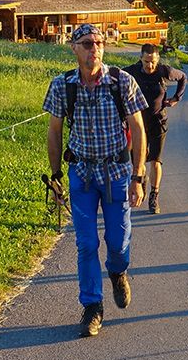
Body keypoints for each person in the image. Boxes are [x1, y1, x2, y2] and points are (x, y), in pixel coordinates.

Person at [45, 23, 148, 338]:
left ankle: (118, 272)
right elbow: (54, 130)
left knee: (118, 242)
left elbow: (140, 130)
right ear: (74, 48)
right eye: (88, 43)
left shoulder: (122, 82)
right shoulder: (63, 85)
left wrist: (138, 177)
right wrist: (55, 176)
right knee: (86, 243)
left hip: (117, 174)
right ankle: (92, 307)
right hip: (82, 176)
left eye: (99, 43)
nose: (95, 49)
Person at [124, 43, 188, 214]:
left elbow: (183, 77)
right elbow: (115, 81)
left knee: (156, 160)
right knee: (139, 160)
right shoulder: (132, 72)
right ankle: (141, 182)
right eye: (146, 61)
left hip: (158, 121)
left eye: (152, 62)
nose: (149, 65)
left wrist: (176, 98)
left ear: (158, 59)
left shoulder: (164, 71)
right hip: (137, 125)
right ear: (141, 58)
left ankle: (154, 196)